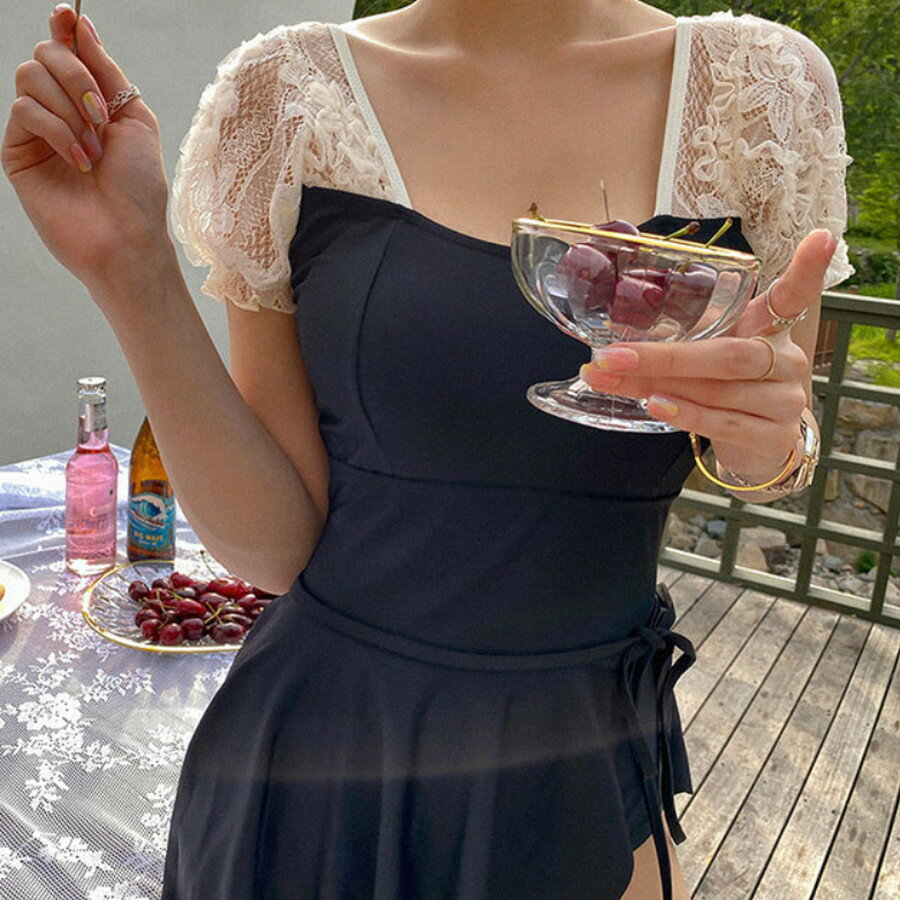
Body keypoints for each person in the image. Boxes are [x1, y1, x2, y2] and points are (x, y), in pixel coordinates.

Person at [3, 1, 853, 897]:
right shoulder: (286, 93)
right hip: (312, 771)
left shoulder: (759, 92)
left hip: (582, 769)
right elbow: (274, 549)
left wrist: (769, 444)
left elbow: (772, 436)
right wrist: (130, 266)